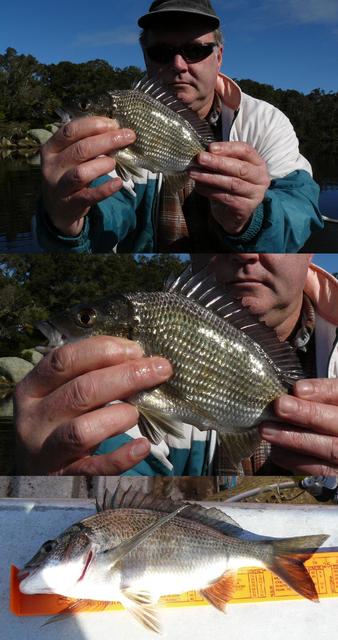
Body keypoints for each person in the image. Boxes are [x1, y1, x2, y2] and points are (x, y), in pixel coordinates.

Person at [35, 0, 323, 253]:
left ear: (219, 56)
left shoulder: (265, 122)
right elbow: (108, 215)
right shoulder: (103, 134)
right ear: (145, 57)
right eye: (161, 52)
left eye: (195, 50)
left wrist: (253, 217)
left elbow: (301, 209)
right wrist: (66, 220)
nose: (178, 64)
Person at [14, 254, 338, 476]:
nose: (243, 254)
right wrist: (44, 469)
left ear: (308, 251)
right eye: (217, 237)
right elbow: (122, 467)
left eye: (85, 319)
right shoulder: (101, 392)